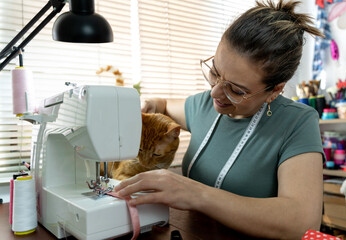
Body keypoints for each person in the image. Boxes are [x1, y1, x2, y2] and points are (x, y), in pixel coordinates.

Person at [114, 0, 325, 239]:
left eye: (236, 90)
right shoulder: (204, 105)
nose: (214, 93)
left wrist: (195, 194)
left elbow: (302, 222)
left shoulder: (297, 123)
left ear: (275, 90)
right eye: (215, 72)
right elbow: (162, 105)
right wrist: (150, 105)